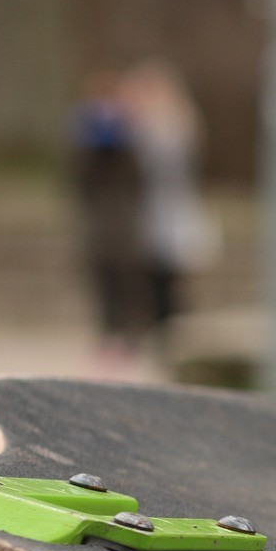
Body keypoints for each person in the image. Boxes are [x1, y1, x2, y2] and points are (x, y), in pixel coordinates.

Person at [121, 60, 218, 346]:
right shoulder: (163, 125)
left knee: (166, 280)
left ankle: (169, 336)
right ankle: (160, 334)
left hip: (166, 212)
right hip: (154, 212)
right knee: (154, 279)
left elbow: (162, 170)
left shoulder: (170, 128)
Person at [69, 70, 148, 374]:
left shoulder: (131, 135)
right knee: (102, 282)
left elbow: (139, 179)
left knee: (126, 282)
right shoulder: (83, 135)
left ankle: (128, 336)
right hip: (100, 224)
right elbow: (79, 180)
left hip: (123, 223)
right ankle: (107, 336)